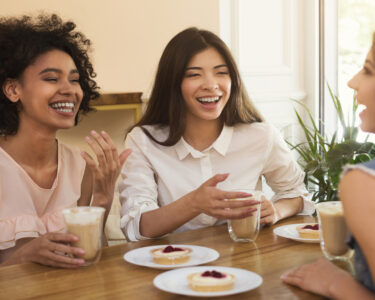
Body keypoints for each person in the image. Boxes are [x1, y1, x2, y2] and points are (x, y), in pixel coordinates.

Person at [119, 27, 314, 241]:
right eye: (194, 74)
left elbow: (297, 194)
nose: (211, 85)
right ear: (172, 83)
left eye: (221, 73)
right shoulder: (143, 141)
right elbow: (137, 227)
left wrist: (276, 211)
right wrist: (193, 203)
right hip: (171, 264)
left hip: (242, 262)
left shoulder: (261, 136)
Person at [0, 14, 131, 268]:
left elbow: (86, 259)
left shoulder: (81, 167)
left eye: (74, 79)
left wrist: (102, 199)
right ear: (13, 90)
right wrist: (22, 257)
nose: (70, 90)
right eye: (51, 78)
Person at [281, 34, 375, 299]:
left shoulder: (363, 182)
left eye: (368, 70)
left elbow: (297, 196)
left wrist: (337, 283)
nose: (352, 81)